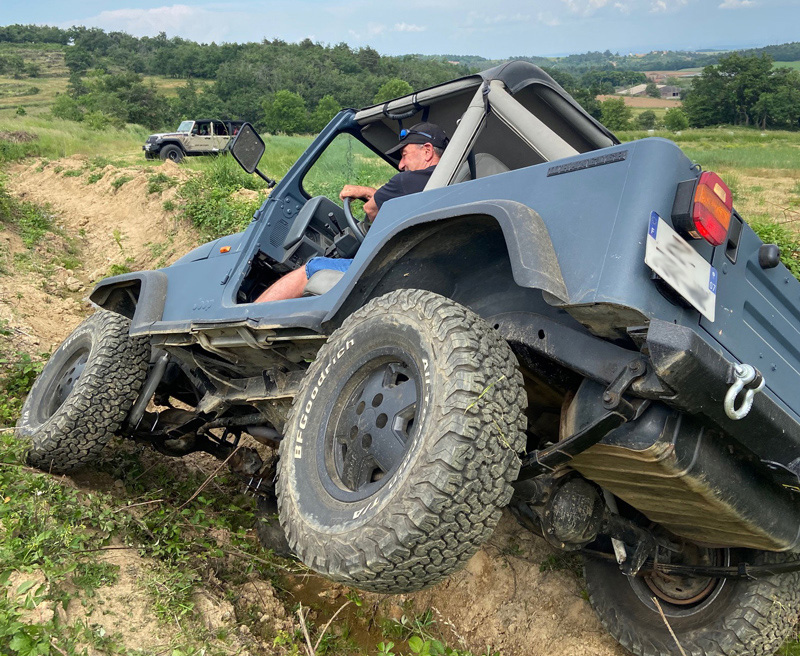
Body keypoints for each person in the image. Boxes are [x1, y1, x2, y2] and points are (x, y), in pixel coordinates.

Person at [255, 122, 448, 303]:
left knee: (311, 267)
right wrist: (366, 192)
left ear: (427, 151)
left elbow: (372, 210)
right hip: (423, 262)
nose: (401, 165)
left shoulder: (407, 181)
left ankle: (251, 314)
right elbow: (386, 203)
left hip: (391, 267)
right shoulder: (442, 183)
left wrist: (367, 199)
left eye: (404, 155)